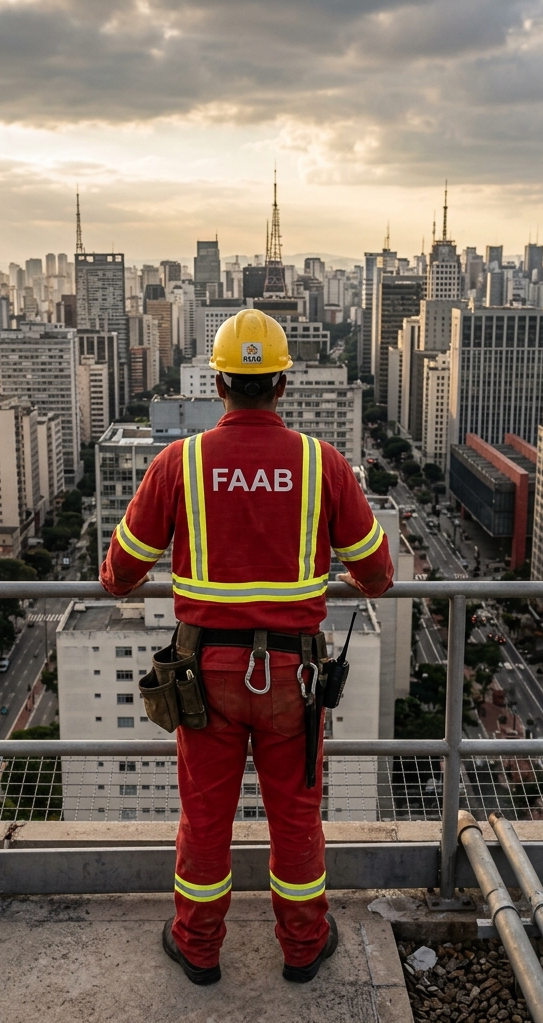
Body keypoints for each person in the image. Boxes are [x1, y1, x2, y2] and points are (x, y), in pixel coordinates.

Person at [100, 309, 394, 985]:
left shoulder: (181, 461)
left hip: (205, 676)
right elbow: (377, 575)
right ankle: (302, 948)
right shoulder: (323, 463)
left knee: (205, 820)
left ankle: (199, 950)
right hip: (293, 676)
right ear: (283, 385)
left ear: (219, 384)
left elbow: (119, 575)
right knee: (296, 820)